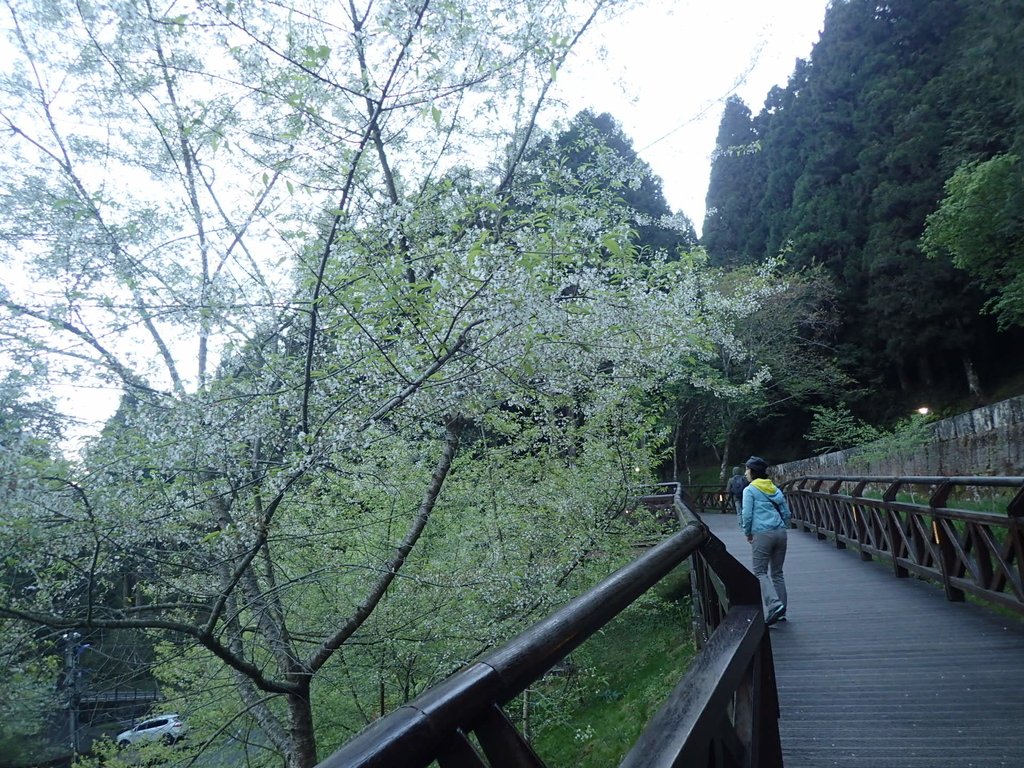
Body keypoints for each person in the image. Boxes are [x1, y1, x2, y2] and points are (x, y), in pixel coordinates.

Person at [740, 456, 790, 626]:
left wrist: (747, 532)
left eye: (747, 469)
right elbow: (785, 510)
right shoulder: (774, 488)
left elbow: (746, 514)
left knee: (760, 572)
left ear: (752, 471)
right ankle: (782, 610)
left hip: (762, 534)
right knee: (777, 573)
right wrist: (784, 525)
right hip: (780, 532)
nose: (745, 472)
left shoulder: (750, 490)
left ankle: (774, 605)